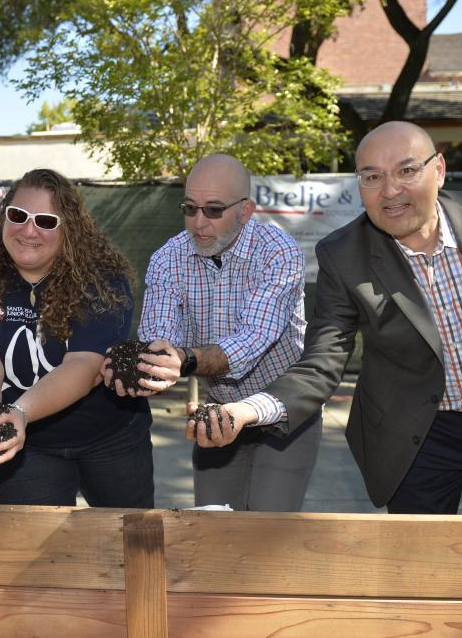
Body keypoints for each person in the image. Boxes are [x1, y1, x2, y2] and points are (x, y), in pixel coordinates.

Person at [192, 121, 462, 515]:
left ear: (439, 169)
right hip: (419, 429)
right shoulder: (343, 255)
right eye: (371, 177)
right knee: (418, 571)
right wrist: (249, 410)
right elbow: (321, 362)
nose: (390, 191)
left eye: (406, 170)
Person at [103, 153, 320, 511]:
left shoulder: (278, 252)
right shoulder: (167, 259)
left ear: (246, 210)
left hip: (284, 411)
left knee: (271, 528)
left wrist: (185, 360)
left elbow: (253, 338)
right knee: (211, 526)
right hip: (218, 414)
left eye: (213, 210)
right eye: (189, 208)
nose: (198, 222)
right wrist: (146, 369)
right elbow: (160, 338)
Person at [0, 168, 154, 507]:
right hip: (29, 448)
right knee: (39, 552)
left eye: (45, 221)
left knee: (127, 540)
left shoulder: (101, 279)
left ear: (68, 230)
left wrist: (20, 413)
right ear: (3, 218)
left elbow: (85, 366)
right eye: (18, 215)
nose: (29, 230)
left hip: (109, 437)